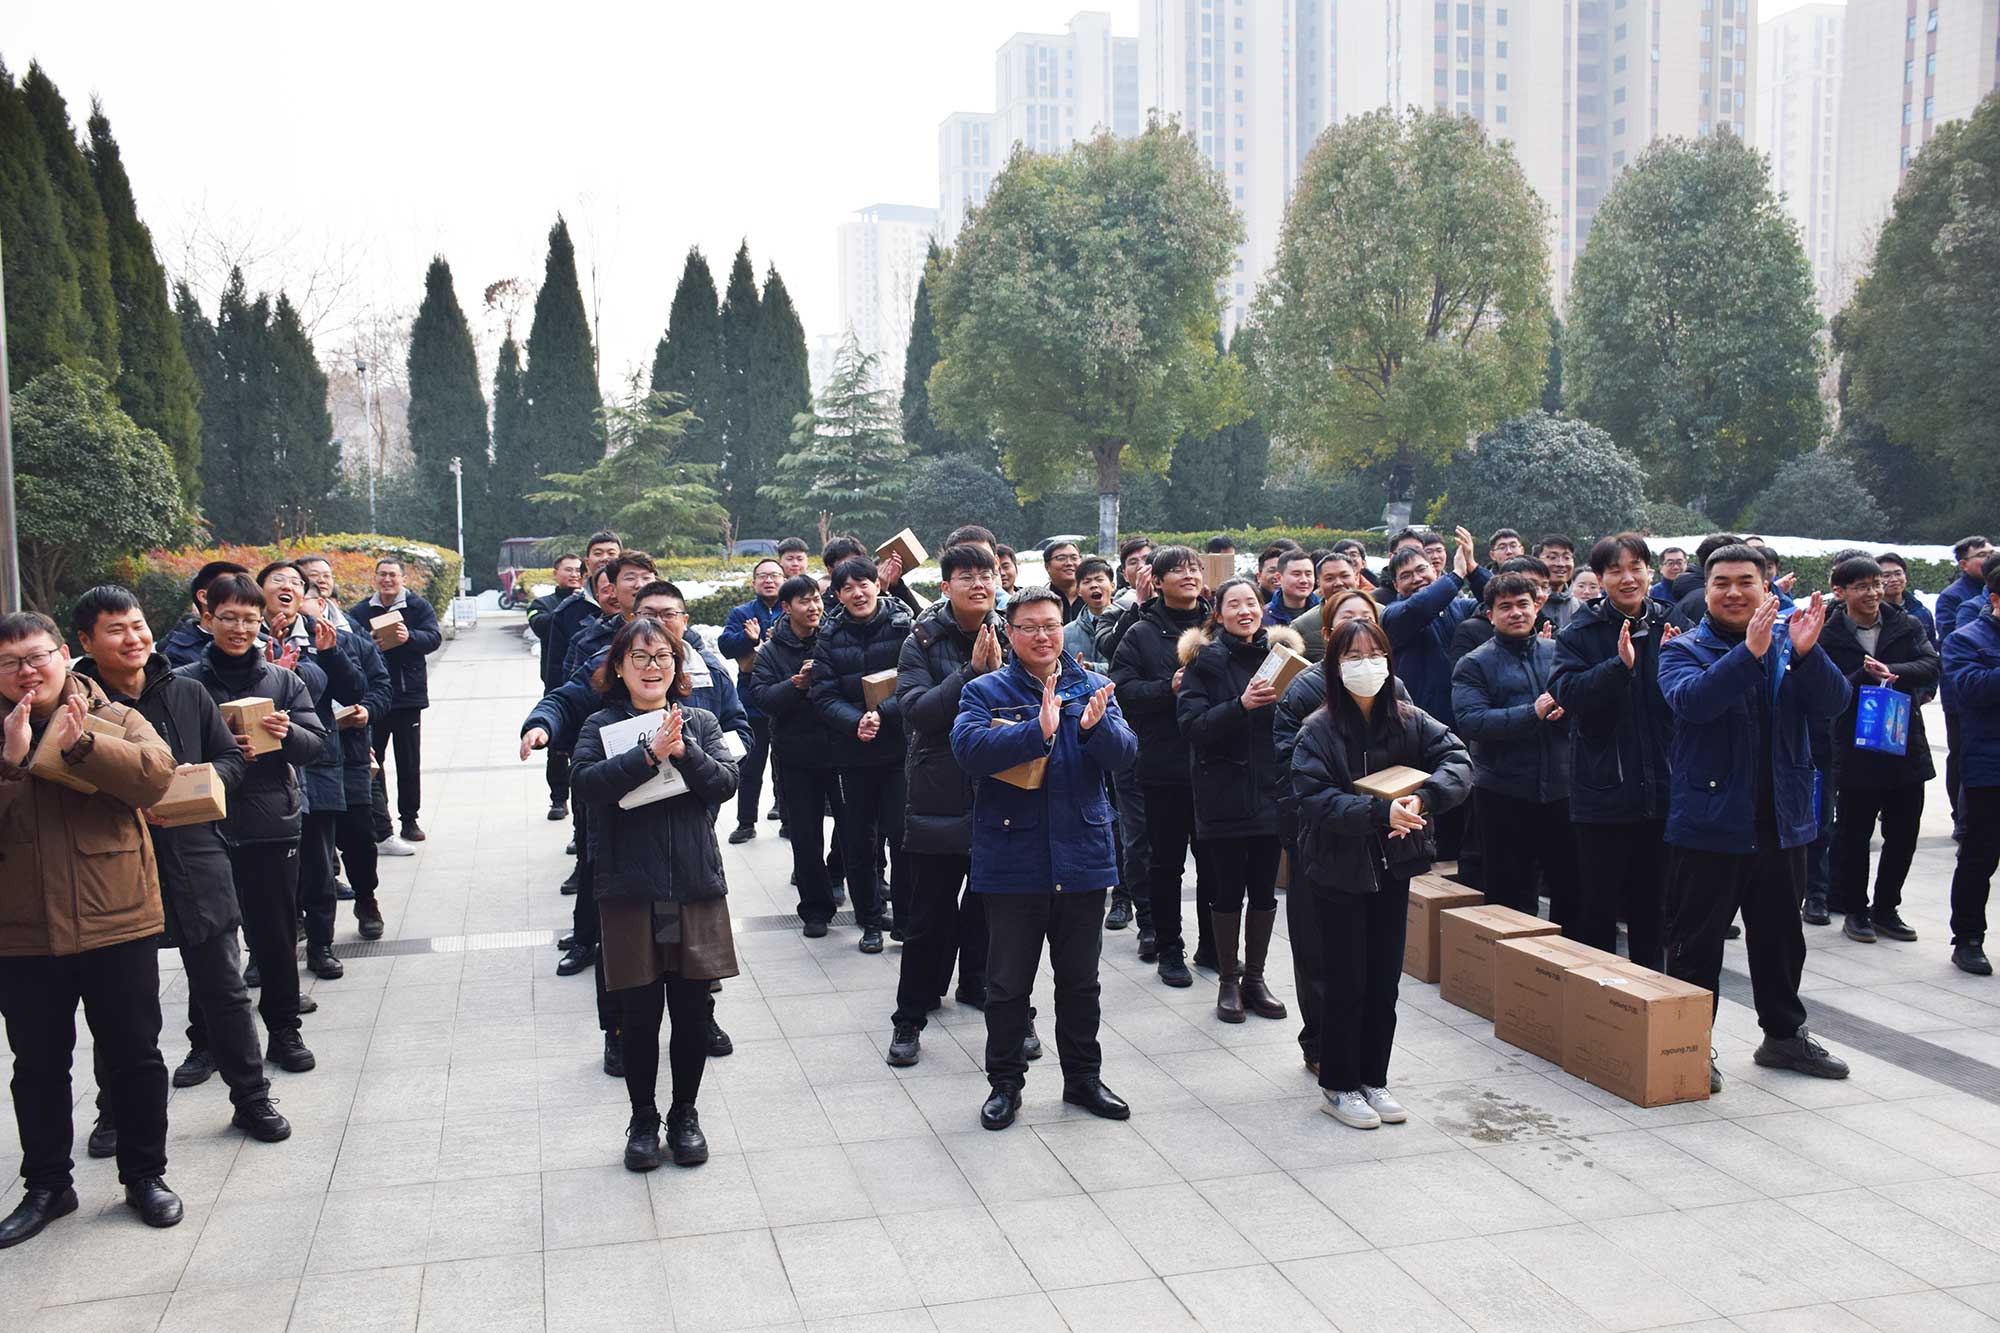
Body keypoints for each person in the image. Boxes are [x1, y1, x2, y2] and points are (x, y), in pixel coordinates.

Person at [69, 588, 291, 1149]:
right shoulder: (75, 707)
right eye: (116, 629)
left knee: (224, 989)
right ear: (86, 641)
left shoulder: (187, 692)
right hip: (113, 868)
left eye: (138, 625)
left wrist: (199, 784)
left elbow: (231, 759)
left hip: (196, 855)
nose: (133, 638)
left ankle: (251, 1098)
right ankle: (115, 1112)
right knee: (122, 1004)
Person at [0, 611, 184, 1246]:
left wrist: (82, 745)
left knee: (135, 1057)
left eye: (37, 657)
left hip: (118, 920)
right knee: (37, 1066)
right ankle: (48, 1186)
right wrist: (12, 763)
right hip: (21, 933)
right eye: (10, 663)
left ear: (62, 655)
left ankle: (145, 1176)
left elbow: (155, 778)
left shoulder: (116, 716)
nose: (27, 671)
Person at [1658, 545, 1851, 1090]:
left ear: (1767, 587)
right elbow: (1693, 703)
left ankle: (1784, 1036)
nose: (1734, 592)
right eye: (1722, 582)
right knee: (1696, 943)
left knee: (1781, 938)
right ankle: (1690, 1045)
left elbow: (1834, 704)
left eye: (1746, 581)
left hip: (1782, 819)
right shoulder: (1682, 649)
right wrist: (1749, 653)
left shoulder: (1791, 644)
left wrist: (1809, 655)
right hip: (1710, 822)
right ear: (1706, 590)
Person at [950, 586, 1136, 1131]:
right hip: (1013, 857)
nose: (1041, 636)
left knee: (1080, 982)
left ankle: (1083, 1079)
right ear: (1009, 634)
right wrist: (1038, 731)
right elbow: (968, 752)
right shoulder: (985, 690)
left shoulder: (1094, 686)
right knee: (1008, 984)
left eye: (1050, 625)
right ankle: (1005, 1084)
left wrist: (1096, 729)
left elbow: (1126, 756)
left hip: (1082, 854)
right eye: (1028, 627)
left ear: (1063, 627)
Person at [569, 617, 739, 1171]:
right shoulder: (600, 724)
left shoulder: (700, 720)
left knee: (692, 1010)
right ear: (619, 667)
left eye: (663, 656)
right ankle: (643, 1118)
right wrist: (646, 754)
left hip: (690, 887)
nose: (652, 667)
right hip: (630, 891)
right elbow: (586, 785)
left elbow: (725, 784)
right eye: (639, 657)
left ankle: (684, 1113)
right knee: (639, 1013)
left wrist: (683, 750)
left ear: (677, 665)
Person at [1292, 618, 1471, 1129]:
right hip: (1337, 868)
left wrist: (1425, 797)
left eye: (1375, 655)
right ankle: (1339, 1084)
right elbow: (1313, 796)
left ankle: (1374, 1076)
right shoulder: (1318, 728)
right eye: (1353, 657)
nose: (1366, 666)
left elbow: (1457, 759)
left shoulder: (1409, 719)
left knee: (1384, 980)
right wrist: (1377, 813)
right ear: (1334, 667)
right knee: (1345, 980)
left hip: (1395, 865)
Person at [178, 573, 328, 1075]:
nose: (239, 628)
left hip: (271, 825)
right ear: (208, 619)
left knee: (275, 938)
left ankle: (284, 1031)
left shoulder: (283, 681)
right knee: (206, 942)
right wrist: (219, 750)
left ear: (261, 622)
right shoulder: (184, 683)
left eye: (249, 618)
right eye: (229, 618)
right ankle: (205, 1042)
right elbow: (167, 753)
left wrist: (286, 734)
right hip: (205, 829)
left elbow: (315, 744)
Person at [887, 544, 1009, 1065]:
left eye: (987, 575)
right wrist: (970, 674)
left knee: (990, 907)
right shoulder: (921, 638)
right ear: (945, 587)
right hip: (939, 791)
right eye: (966, 576)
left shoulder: (1013, 631)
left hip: (1000, 790)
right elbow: (915, 711)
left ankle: (978, 986)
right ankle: (909, 1018)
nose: (979, 584)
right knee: (928, 916)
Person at [1549, 534, 1676, 969]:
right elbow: (1567, 692)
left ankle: (1650, 995)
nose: (1628, 578)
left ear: (1649, 572)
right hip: (1603, 791)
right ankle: (1601, 998)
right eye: (1615, 570)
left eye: (1636, 567)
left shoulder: (1672, 624)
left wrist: (1675, 660)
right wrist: (1618, 667)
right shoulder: (1579, 632)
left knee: (1653, 909)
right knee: (1598, 908)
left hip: (1662, 788)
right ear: (1600, 578)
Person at [1177, 578, 1295, 1023]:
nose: (1245, 611)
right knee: (1227, 890)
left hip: (1269, 789)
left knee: (1264, 889)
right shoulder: (1204, 662)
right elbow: (1192, 726)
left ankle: (1256, 979)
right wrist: (1240, 705)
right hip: (1223, 793)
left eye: (1251, 603)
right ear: (1219, 613)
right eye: (1234, 605)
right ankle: (1228, 979)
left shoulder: (1281, 659)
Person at [258, 560, 372, 982]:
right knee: (265, 872)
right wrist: (268, 666)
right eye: (278, 580)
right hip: (263, 771)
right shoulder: (246, 636)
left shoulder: (322, 634)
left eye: (295, 582)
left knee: (319, 864)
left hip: (316, 762)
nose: (287, 587)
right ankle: (264, 954)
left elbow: (354, 688)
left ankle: (322, 946)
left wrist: (327, 654)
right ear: (260, 591)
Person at [1451, 572, 1581, 926]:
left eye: (1523, 604)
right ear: (1490, 614)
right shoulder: (1475, 663)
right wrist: (1533, 712)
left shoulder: (1558, 652)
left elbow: (1584, 707)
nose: (1516, 613)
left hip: (1562, 791)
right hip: (1503, 793)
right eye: (1505, 606)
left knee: (1572, 890)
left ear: (1537, 606)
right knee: (1510, 898)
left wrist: (1568, 711)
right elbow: (1472, 721)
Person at [1820, 556, 1938, 944]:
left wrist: (1893, 671)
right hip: (1855, 748)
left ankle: (1887, 908)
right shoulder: (1828, 633)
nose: (1872, 593)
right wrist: (1862, 676)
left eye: (1876, 584)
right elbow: (1822, 684)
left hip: (1904, 742)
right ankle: (1855, 909)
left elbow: (1931, 664)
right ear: (1840, 592)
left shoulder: (1906, 623)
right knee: (1853, 835)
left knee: (1903, 834)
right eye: (1862, 587)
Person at [1112, 545, 1213, 987]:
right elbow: (1120, 689)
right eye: (1178, 570)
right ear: (1157, 581)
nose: (1189, 575)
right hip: (1163, 764)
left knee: (1214, 862)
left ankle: (1214, 946)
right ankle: (1169, 947)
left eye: (1194, 568)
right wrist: (1165, 688)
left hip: (1215, 763)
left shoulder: (1217, 625)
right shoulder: (1141, 632)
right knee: (1166, 863)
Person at [810, 556, 914, 952]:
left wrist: (881, 713)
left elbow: (915, 681)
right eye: (847, 588)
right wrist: (856, 721)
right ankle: (870, 921)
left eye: (864, 583)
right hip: (852, 753)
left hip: (899, 749)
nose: (858, 593)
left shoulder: (903, 624)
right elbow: (823, 694)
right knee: (859, 842)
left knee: (903, 838)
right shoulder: (829, 635)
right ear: (838, 595)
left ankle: (905, 921)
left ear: (877, 584)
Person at [751, 576, 846, 934]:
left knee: (855, 829)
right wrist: (796, 684)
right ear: (786, 607)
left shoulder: (835, 637)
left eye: (817, 599)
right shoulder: (771, 651)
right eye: (804, 601)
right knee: (805, 837)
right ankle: (815, 910)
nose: (814, 607)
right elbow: (762, 698)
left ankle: (843, 882)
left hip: (841, 749)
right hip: (796, 755)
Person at [347, 557, 441, 845]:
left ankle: (409, 820)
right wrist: (368, 642)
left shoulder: (418, 607)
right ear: (375, 578)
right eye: (382, 575)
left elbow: (433, 638)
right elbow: (349, 642)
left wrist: (408, 637)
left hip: (407, 696)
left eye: (392, 575)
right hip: (374, 698)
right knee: (374, 759)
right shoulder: (361, 610)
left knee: (409, 762)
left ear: (403, 579)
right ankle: (381, 819)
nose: (387, 580)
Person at [1946, 560, 2000, 975]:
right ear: (1994, 599)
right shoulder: (1965, 639)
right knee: (1979, 857)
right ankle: (1967, 938)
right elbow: (1969, 690)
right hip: (1989, 768)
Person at [718, 558, 787, 845]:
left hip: (786, 698)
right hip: (752, 699)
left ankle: (787, 817)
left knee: (786, 764)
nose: (769, 580)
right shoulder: (742, 612)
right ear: (754, 582)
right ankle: (746, 823)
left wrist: (778, 637)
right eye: (763, 576)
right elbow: (725, 646)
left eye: (775, 575)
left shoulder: (790, 608)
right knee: (751, 766)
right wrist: (749, 639)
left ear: (783, 579)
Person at [1937, 535, 1995, 832]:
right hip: (1961, 696)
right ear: (1963, 563)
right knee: (1962, 754)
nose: (1987, 558)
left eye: (1990, 553)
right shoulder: (1957, 601)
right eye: (1981, 555)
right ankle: (1962, 819)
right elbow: (1953, 649)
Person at [527, 552, 585, 820]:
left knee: (584, 745)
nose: (573, 574)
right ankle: (558, 799)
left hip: (586, 681)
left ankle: (584, 801)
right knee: (557, 744)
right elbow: (541, 626)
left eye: (577, 570)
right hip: (557, 683)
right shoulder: (543, 604)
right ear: (555, 573)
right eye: (568, 570)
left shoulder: (590, 603)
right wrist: (569, 605)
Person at [158, 560, 250, 668]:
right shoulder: (178, 655)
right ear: (204, 597)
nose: (240, 595)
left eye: (244, 588)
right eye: (229, 588)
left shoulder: (260, 643)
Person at [1291, 552, 1363, 663]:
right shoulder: (1302, 626)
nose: (1338, 583)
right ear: (1319, 584)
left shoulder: (1380, 614)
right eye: (1329, 578)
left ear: (1356, 577)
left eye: (1345, 576)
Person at [1063, 557, 1118, 672]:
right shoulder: (1066, 633)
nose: (1094, 585)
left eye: (1099, 580)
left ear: (1113, 586)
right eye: (1087, 582)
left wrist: (1093, 668)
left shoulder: (1125, 624)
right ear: (1078, 591)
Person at [1878, 552, 1938, 651]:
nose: (1894, 579)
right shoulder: (1871, 613)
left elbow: (1932, 650)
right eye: (1886, 575)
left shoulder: (1922, 612)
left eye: (1898, 574)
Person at [1534, 535, 1580, 631]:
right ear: (1536, 560)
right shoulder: (1525, 604)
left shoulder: (1580, 608)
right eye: (1552, 557)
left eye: (1567, 557)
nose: (1560, 564)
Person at [1264, 549, 1320, 627]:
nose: (1304, 580)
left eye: (1308, 574)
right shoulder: (1264, 616)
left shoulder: (1323, 612)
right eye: (1296, 574)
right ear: (1279, 578)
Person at [1043, 539, 1085, 623]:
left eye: (1074, 558)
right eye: (1061, 558)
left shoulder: (1092, 597)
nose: (1069, 563)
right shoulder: (1040, 601)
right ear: (1047, 566)